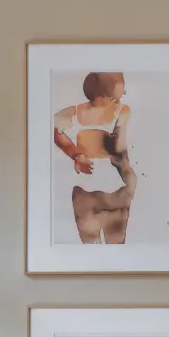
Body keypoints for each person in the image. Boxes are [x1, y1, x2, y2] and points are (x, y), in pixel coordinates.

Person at [53, 72, 135, 244]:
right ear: (104, 93)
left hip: (85, 187)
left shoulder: (74, 112)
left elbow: (55, 130)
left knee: (90, 243)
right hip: (112, 187)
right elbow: (120, 149)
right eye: (120, 89)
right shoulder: (122, 111)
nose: (124, 93)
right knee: (115, 241)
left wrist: (76, 154)